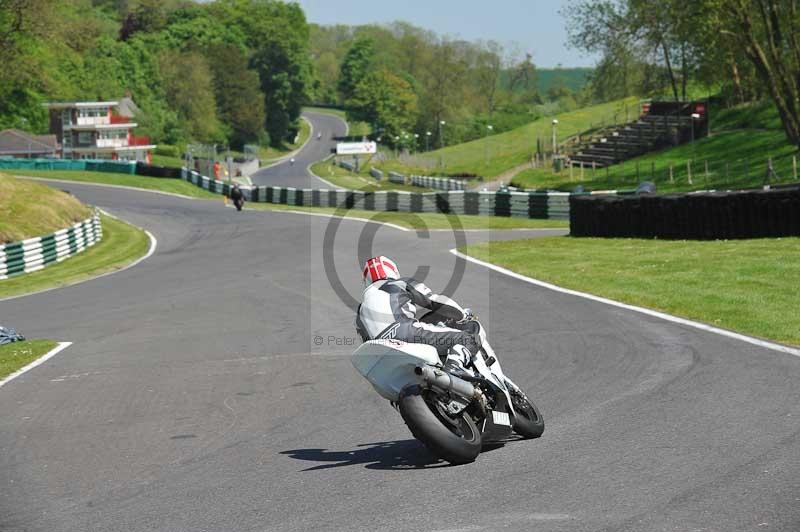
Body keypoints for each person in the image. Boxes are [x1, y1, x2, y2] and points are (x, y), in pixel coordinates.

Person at [356, 255, 480, 373]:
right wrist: (463, 315)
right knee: (467, 338)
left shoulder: (360, 310)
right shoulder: (400, 283)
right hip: (406, 333)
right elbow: (435, 301)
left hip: (380, 352)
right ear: (392, 270)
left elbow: (365, 341)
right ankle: (454, 368)